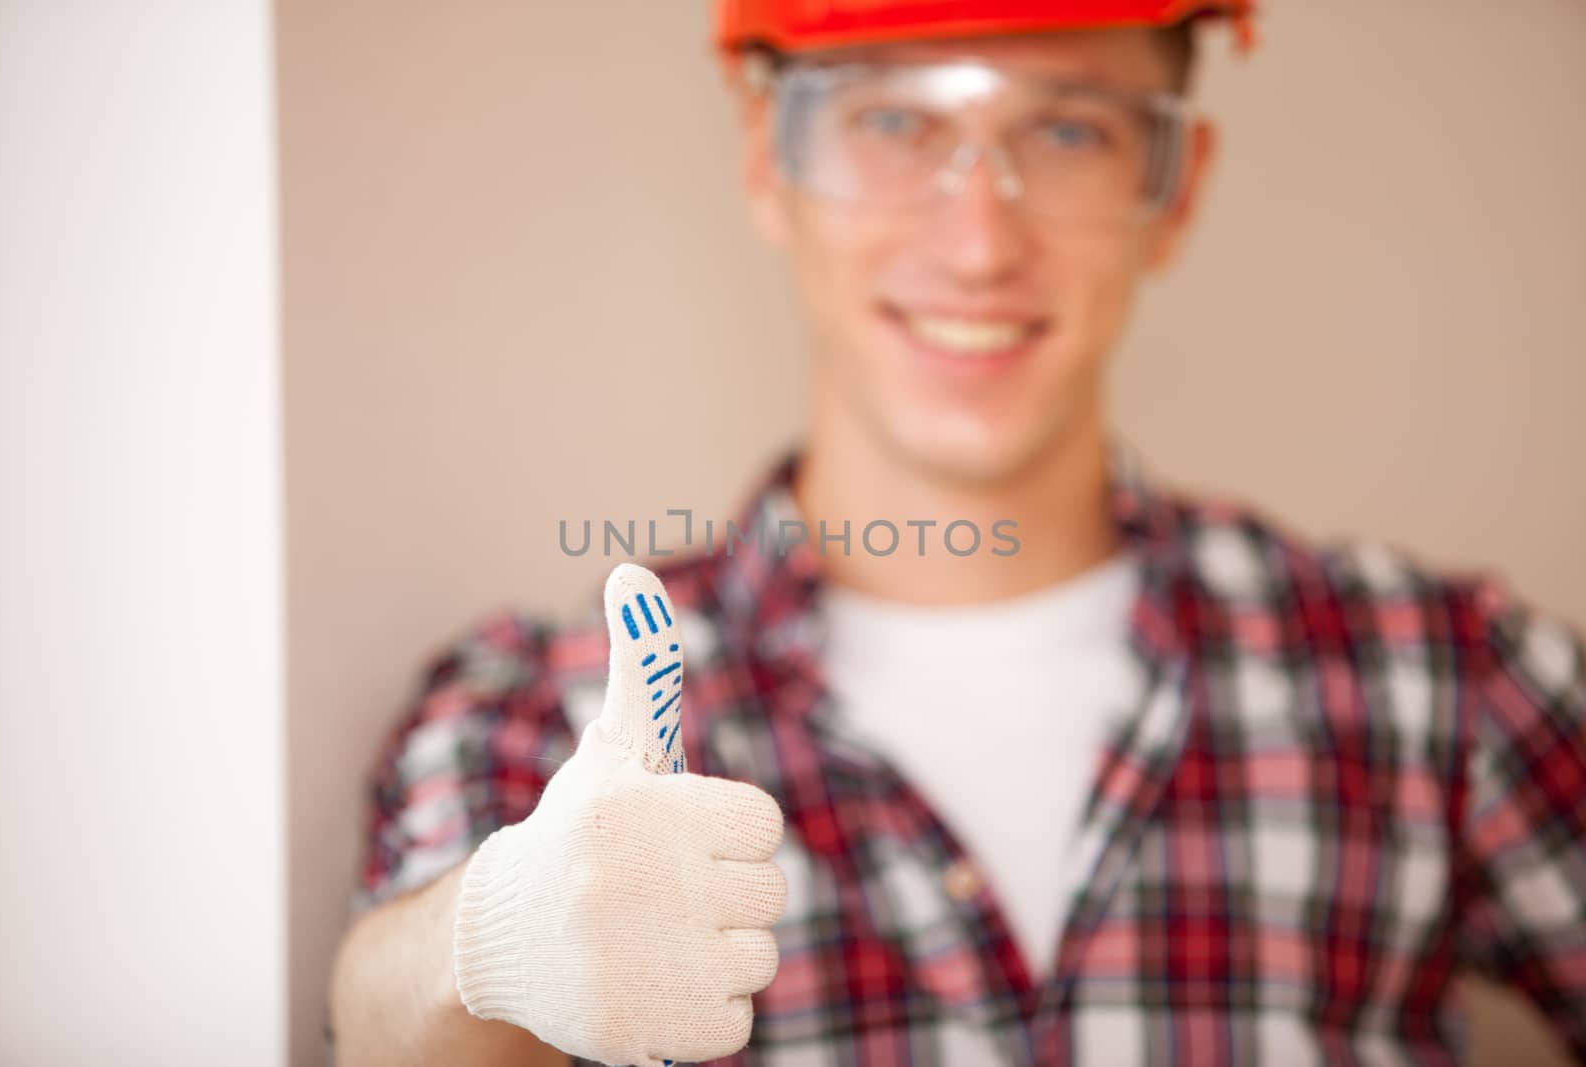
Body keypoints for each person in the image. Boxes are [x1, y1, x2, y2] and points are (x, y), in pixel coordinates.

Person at [327, 2, 1586, 1064]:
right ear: (767, 156)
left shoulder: (1446, 681)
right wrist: (485, 940)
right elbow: (373, 1020)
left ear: (1175, 187)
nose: (980, 242)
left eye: (1070, 128)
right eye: (893, 120)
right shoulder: (531, 710)